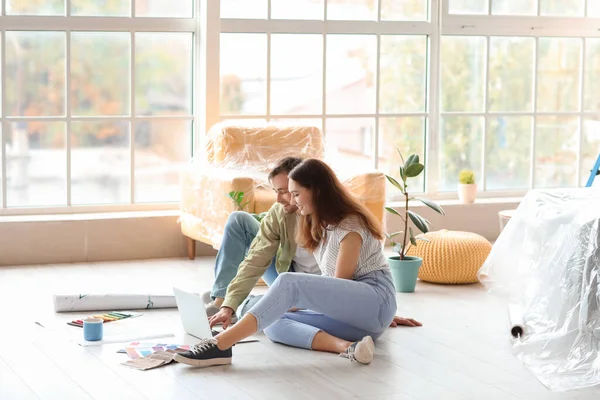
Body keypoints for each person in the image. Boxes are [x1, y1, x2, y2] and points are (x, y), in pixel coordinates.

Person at [175, 159, 419, 368]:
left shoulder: (350, 225)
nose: (290, 201)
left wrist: (292, 301)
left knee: (286, 286)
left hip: (372, 302)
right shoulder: (319, 224)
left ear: (317, 191)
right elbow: (260, 261)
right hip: (357, 323)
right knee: (272, 322)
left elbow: (338, 287)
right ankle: (349, 348)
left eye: (295, 194)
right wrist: (280, 305)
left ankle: (221, 345)